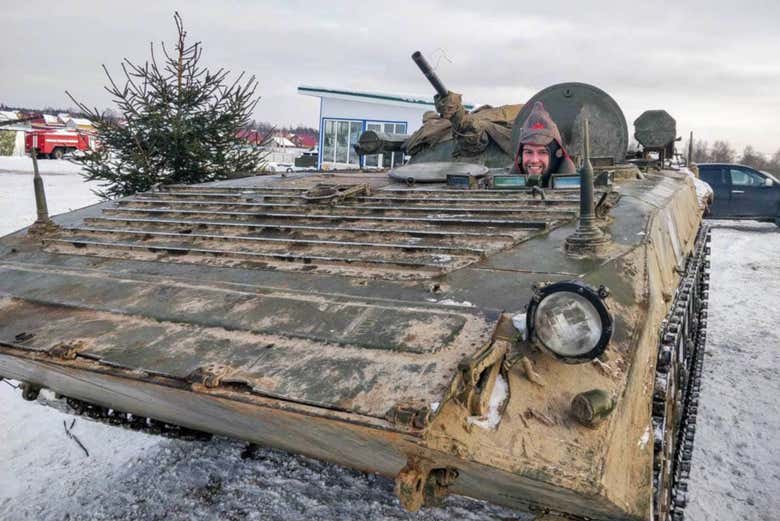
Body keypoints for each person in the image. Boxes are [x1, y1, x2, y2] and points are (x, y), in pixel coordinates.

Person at [513, 101, 576, 187]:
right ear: (520, 155)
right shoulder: (510, 178)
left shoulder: (574, 185)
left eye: (542, 152)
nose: (534, 160)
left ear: (556, 155)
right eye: (528, 152)